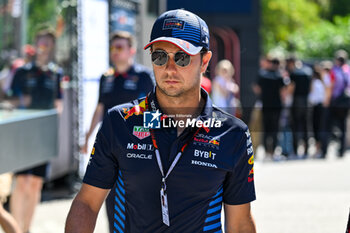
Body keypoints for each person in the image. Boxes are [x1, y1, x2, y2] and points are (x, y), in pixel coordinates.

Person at [66, 9, 256, 233]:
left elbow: (240, 222)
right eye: (160, 56)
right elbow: (87, 203)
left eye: (182, 57)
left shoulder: (232, 133)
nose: (170, 68)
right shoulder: (120, 121)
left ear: (204, 62)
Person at [80, 30, 154, 233]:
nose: (115, 51)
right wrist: (87, 138)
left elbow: (154, 110)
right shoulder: (106, 77)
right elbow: (99, 108)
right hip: (110, 147)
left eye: (120, 47)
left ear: (131, 51)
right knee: (111, 201)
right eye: (113, 47)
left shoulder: (143, 76)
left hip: (138, 146)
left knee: (137, 200)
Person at [8, 28, 62, 233]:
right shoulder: (22, 72)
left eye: (48, 43)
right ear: (35, 44)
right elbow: (7, 99)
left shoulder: (56, 73)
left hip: (43, 135)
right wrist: (23, 101)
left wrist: (54, 119)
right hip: (23, 133)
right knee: (21, 182)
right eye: (41, 42)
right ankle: (16, 229)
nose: (44, 47)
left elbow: (59, 103)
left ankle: (26, 228)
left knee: (35, 184)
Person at [254, 56, 287, 159]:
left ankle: (266, 151)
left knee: (265, 129)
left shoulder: (262, 74)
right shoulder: (280, 76)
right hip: (277, 106)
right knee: (275, 129)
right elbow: (283, 92)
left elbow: (256, 88)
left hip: (266, 105)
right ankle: (273, 151)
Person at [286, 56, 312, 158]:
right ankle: (306, 150)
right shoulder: (308, 72)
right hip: (306, 101)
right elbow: (310, 88)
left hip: (296, 101)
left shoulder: (294, 74)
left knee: (295, 126)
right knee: (306, 126)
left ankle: (296, 150)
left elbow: (291, 88)